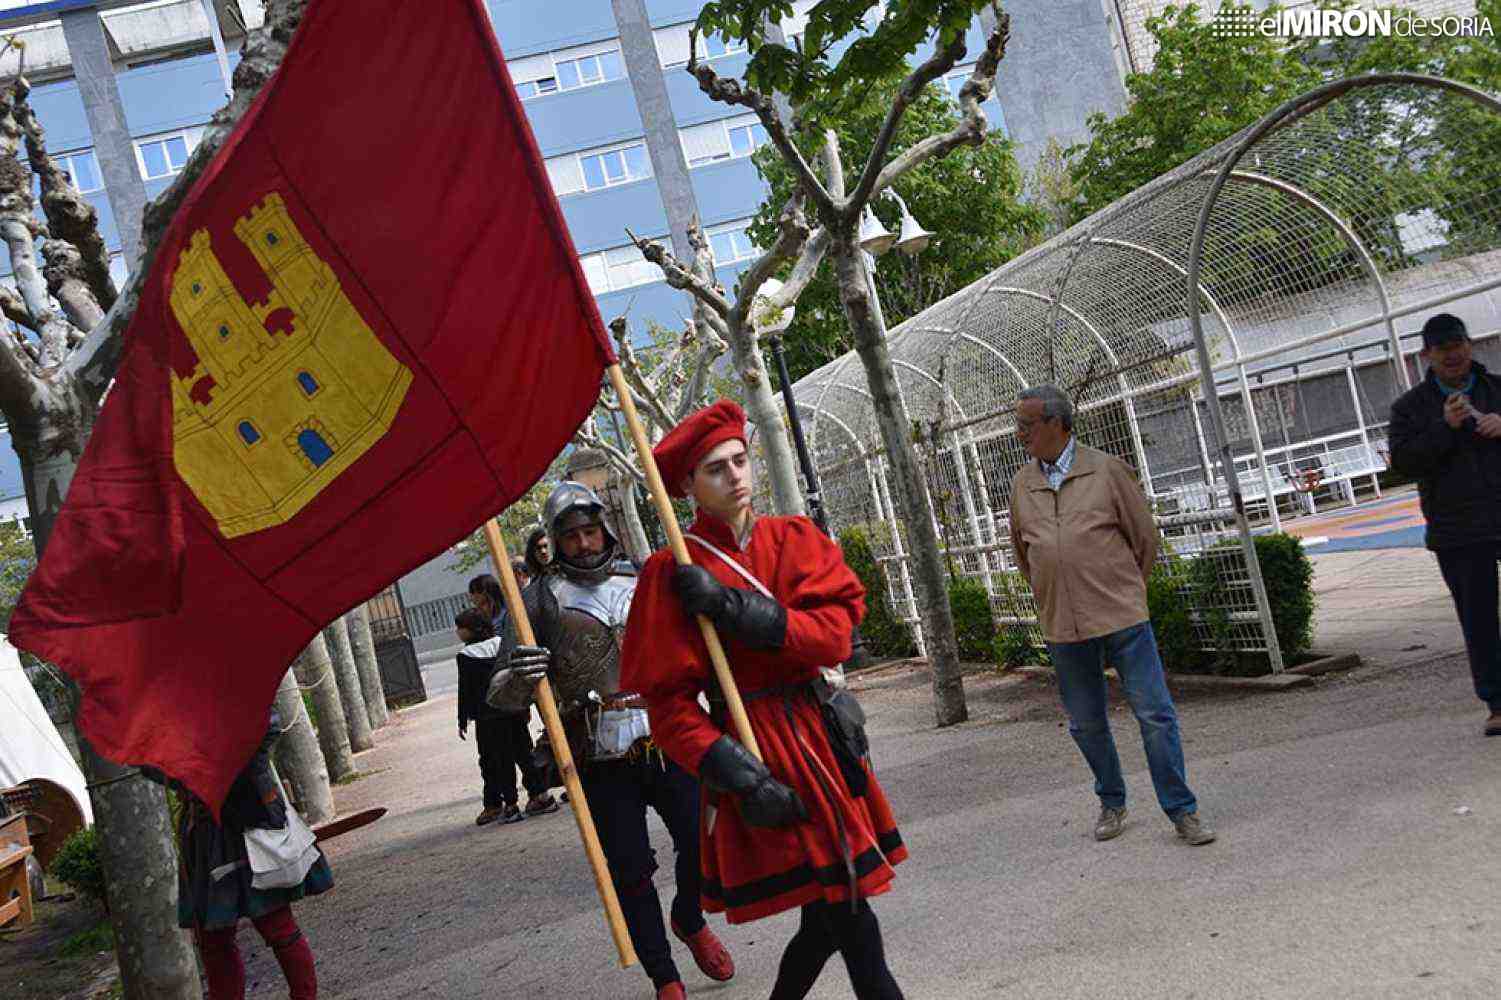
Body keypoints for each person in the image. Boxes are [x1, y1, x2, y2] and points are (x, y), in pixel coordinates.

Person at [619, 400, 908, 1000]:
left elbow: (833, 639)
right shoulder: (669, 571)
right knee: (845, 903)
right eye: (716, 469)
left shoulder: (793, 538)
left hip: (819, 735)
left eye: (740, 460)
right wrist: (740, 776)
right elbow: (667, 705)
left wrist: (734, 610)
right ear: (688, 487)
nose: (737, 476)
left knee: (835, 907)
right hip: (753, 745)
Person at [492, 481, 733, 1000]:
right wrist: (519, 674)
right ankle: (664, 977)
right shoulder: (536, 600)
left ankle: (689, 919)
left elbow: (693, 644)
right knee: (630, 869)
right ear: (555, 541)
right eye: (572, 535)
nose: (584, 543)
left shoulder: (646, 577)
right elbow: (501, 695)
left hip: (667, 733)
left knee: (702, 840)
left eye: (590, 530)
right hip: (595, 752)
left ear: (605, 529)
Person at [1008, 385, 1215, 847]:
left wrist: (1122, 590)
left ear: (1057, 424)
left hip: (1122, 617)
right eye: (1017, 425)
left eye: (1026, 425)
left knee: (1155, 715)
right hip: (1063, 624)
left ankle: (1182, 810)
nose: (1019, 434)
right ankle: (1112, 800)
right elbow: (1024, 553)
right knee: (1085, 723)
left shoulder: (1106, 471)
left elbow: (1144, 539)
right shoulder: (1023, 484)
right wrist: (1054, 591)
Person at [1389, 313, 1501, 736]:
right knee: (1479, 619)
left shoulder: (1497, 390)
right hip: (1457, 529)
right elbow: (1402, 463)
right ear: (1427, 355)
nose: (1452, 354)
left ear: (1470, 345)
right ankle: (1497, 703)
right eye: (1442, 349)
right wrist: (1446, 428)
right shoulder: (1410, 409)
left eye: (1458, 345)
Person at [177, 710, 331, 999]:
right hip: (206, 833)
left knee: (277, 925)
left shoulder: (236, 683)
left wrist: (231, 763)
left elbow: (269, 725)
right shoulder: (168, 702)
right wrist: (184, 769)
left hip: (251, 819)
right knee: (214, 937)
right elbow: (154, 764)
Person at [465, 574, 561, 818]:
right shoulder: (483, 622)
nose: (480, 608)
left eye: (482, 602)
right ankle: (500, 801)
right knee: (494, 755)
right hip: (492, 700)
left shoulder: (508, 617)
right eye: (476, 605)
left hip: (510, 696)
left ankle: (535, 794)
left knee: (519, 749)